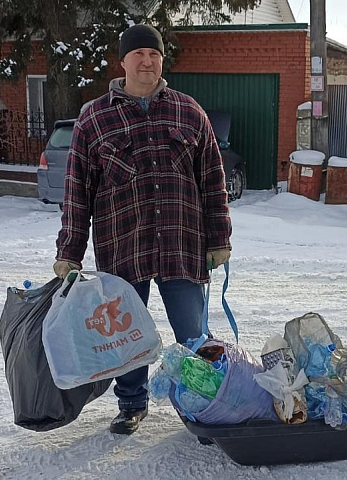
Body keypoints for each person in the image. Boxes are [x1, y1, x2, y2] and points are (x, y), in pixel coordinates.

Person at [53, 24, 232, 435]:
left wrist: (219, 238)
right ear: (123, 62)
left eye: (154, 54)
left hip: (182, 244)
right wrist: (69, 252)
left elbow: (213, 181)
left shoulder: (189, 111)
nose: (147, 61)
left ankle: (202, 406)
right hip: (122, 248)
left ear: (161, 60)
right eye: (139, 54)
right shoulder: (94, 119)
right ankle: (131, 403)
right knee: (127, 336)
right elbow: (77, 191)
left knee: (193, 334)